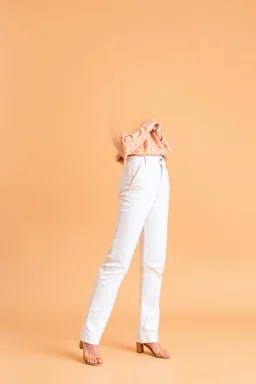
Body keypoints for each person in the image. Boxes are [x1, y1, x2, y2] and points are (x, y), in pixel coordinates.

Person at [79, 119, 171, 366]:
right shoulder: (118, 110)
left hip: (160, 172)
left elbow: (165, 149)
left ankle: (148, 333)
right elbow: (124, 144)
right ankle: (90, 336)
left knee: (155, 261)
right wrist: (145, 126)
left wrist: (158, 137)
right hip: (138, 172)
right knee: (118, 260)